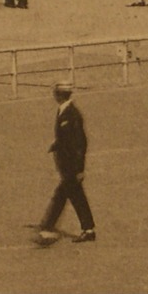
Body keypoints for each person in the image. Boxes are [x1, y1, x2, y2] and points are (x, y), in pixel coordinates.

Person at [36, 82, 96, 245]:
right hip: (67, 164)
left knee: (61, 197)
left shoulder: (72, 114)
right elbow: (67, 138)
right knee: (75, 197)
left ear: (60, 95)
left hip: (71, 165)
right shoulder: (64, 111)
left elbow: (79, 143)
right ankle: (88, 229)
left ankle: (48, 227)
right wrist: (57, 144)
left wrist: (79, 169)